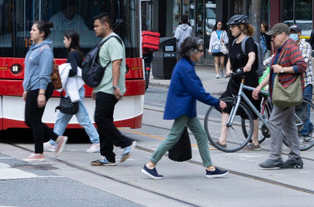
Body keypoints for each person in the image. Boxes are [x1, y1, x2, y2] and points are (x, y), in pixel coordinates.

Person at [142, 37, 229, 179]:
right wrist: (217, 102)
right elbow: (197, 92)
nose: (202, 53)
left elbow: (195, 90)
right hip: (182, 109)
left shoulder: (185, 65)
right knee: (173, 137)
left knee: (201, 135)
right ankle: (150, 164)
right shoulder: (185, 68)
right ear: (191, 52)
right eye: (200, 51)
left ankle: (209, 167)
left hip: (186, 109)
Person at [254, 23, 307, 169]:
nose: (272, 39)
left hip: (286, 93)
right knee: (289, 125)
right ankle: (295, 157)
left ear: (283, 35)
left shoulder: (290, 47)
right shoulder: (281, 49)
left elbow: (302, 65)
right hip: (282, 93)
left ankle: (275, 157)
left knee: (274, 122)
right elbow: (273, 71)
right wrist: (259, 86)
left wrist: (282, 69)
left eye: (274, 36)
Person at [90, 12, 137, 166]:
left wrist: (115, 86)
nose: (94, 29)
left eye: (97, 26)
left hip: (110, 87)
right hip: (104, 87)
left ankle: (126, 143)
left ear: (106, 25)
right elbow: (103, 66)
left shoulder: (114, 41)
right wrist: (96, 88)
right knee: (104, 120)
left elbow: (117, 63)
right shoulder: (105, 41)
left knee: (100, 118)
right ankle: (108, 156)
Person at [44, 30, 101, 154]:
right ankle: (52, 143)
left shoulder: (73, 54)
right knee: (62, 118)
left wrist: (62, 74)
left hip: (74, 92)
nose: (63, 42)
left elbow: (74, 70)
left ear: (70, 40)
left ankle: (97, 142)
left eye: (65, 39)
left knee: (83, 119)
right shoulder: (78, 53)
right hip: (73, 91)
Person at [21, 20, 67, 162]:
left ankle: (39, 152)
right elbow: (30, 71)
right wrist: (26, 89)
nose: (31, 32)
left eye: (34, 30)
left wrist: (41, 93)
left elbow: (44, 73)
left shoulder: (45, 50)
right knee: (29, 120)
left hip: (40, 88)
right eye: (31, 29)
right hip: (32, 88)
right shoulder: (33, 48)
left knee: (34, 119)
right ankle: (57, 139)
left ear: (41, 33)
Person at [219, 15, 261, 150]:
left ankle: (255, 142)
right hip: (235, 80)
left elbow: (252, 55)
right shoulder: (234, 42)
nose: (230, 29)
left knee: (252, 110)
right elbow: (229, 60)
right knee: (224, 104)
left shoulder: (248, 41)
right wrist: (228, 70)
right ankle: (222, 139)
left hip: (248, 80)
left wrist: (248, 65)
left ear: (241, 27)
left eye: (233, 26)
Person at [290, 25, 314, 137]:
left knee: (304, 107)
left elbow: (302, 62)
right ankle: (309, 127)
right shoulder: (289, 45)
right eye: (291, 32)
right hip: (295, 82)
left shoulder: (305, 45)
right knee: (296, 108)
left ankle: (304, 133)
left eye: (295, 32)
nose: (293, 35)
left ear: (300, 34)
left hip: (306, 80)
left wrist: (286, 66)